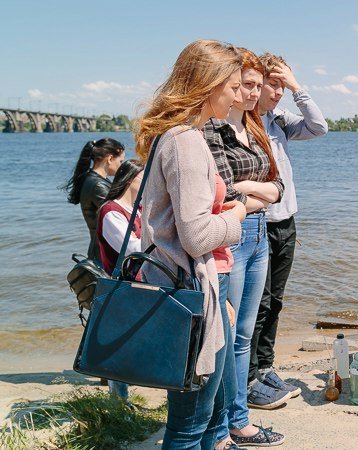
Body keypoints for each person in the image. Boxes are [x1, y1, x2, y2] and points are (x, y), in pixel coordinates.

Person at [134, 39, 249, 450]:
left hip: (194, 289)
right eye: (234, 86)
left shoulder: (177, 136)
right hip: (190, 296)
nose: (239, 96)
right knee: (189, 425)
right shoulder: (186, 141)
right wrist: (237, 216)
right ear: (209, 83)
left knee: (208, 419)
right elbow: (197, 235)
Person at [203, 47, 288, 448]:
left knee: (243, 336)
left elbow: (279, 184)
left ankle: (239, 419)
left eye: (257, 85)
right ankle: (221, 428)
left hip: (258, 236)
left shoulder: (253, 128)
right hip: (230, 238)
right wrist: (261, 191)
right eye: (246, 85)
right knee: (225, 333)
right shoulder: (210, 131)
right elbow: (223, 192)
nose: (253, 93)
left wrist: (256, 191)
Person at [246, 52, 327, 400]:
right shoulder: (243, 122)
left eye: (282, 85)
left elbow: (319, 126)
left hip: (286, 223)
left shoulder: (279, 120)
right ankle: (248, 374)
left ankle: (265, 365)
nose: (277, 92)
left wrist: (298, 88)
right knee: (256, 303)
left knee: (275, 301)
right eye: (272, 84)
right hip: (257, 224)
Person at [95, 159, 144, 401]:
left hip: (140, 284)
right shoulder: (110, 211)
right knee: (121, 346)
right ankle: (119, 402)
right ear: (131, 179)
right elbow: (132, 248)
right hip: (122, 287)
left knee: (136, 342)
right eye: (144, 177)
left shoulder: (140, 209)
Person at [63, 138, 125, 262]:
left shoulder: (94, 180)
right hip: (103, 253)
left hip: (99, 248)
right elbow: (119, 213)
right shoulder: (98, 185)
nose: (121, 165)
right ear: (110, 159)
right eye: (121, 161)